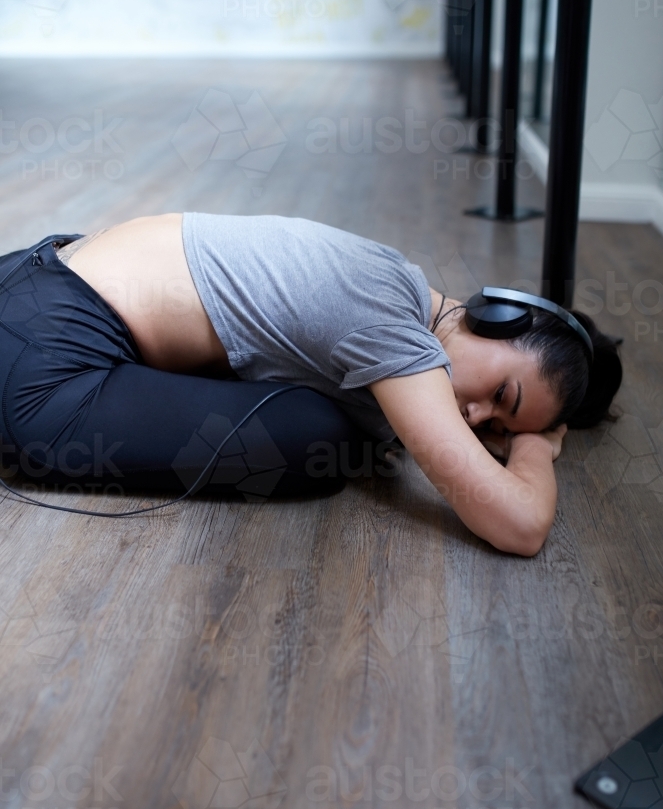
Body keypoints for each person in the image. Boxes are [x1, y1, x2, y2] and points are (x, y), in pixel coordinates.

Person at [0, 212, 622, 556]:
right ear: (495, 317)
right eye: (502, 396)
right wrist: (533, 448)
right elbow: (519, 525)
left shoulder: (393, 282)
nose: (477, 415)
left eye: (496, 428)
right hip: (45, 365)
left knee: (330, 430)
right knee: (316, 440)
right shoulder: (389, 321)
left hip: (35, 281)